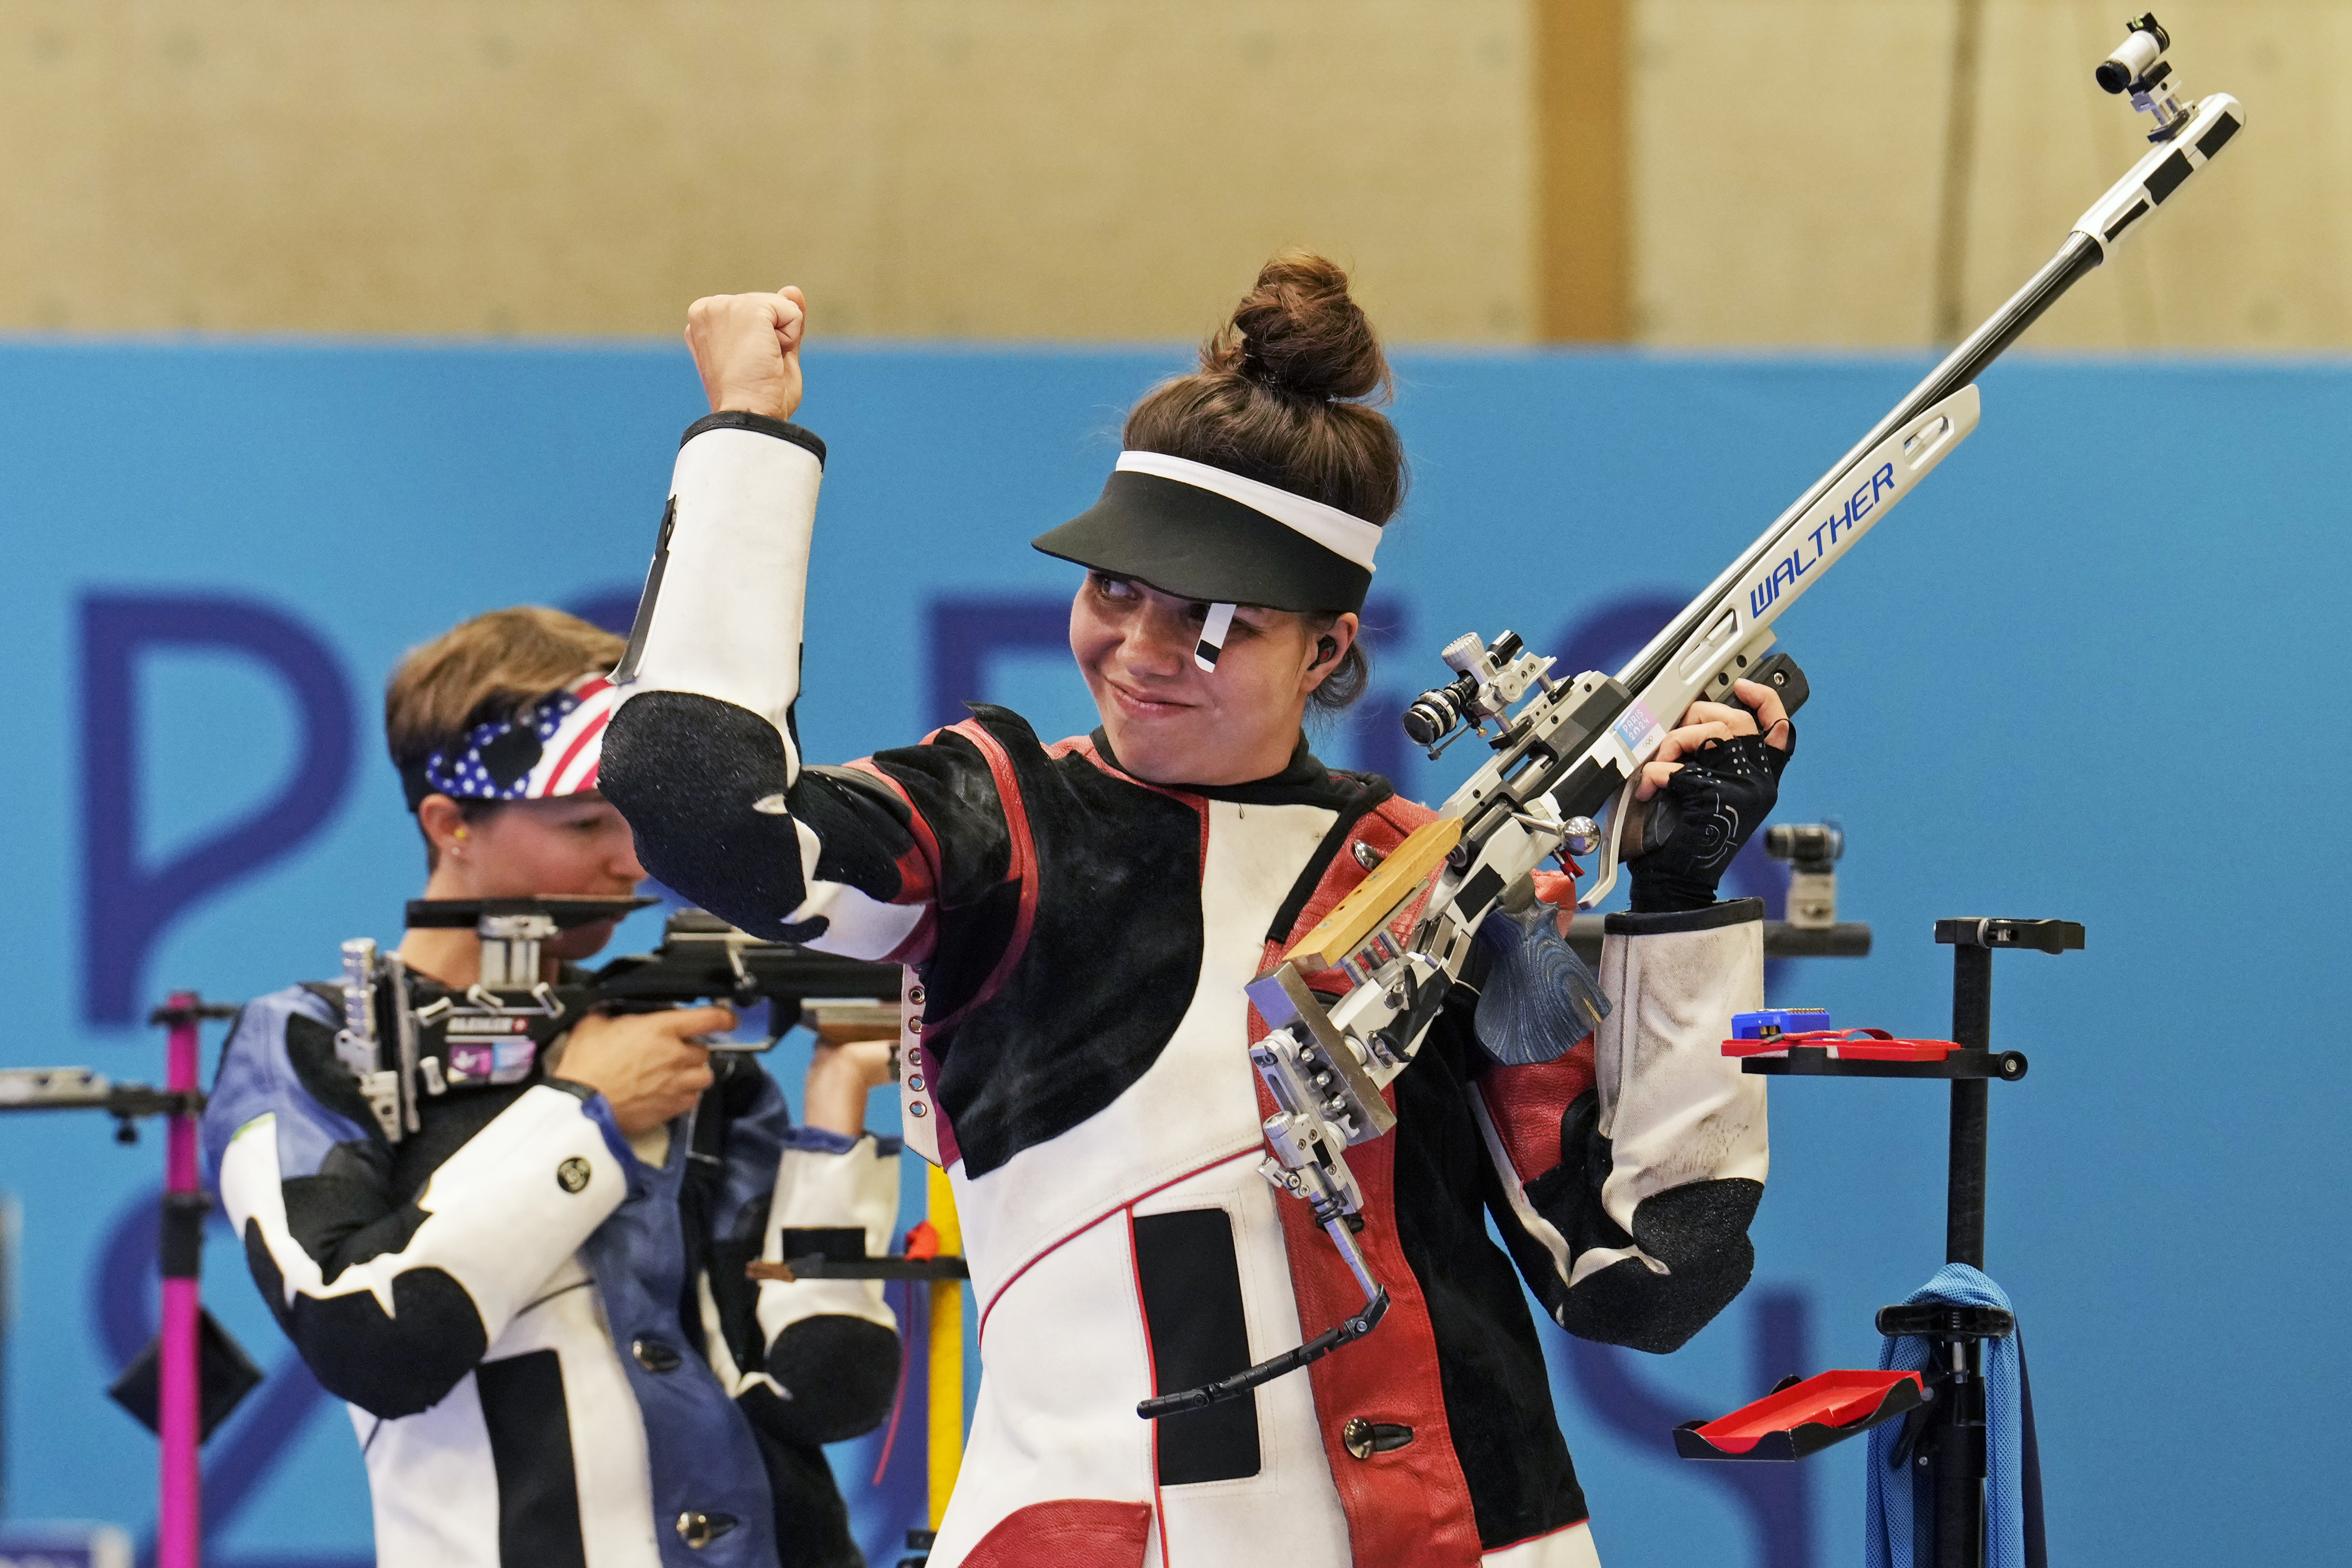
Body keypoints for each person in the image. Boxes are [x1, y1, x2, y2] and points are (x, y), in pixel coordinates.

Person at [600, 256, 1792, 1568]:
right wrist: (748, 438)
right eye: (1115, 590)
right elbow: (701, 807)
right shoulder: (998, 820)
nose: (1146, 651)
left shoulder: (1427, 876)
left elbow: (1647, 1279)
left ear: (1330, 649)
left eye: (1218, 622)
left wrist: (1683, 897)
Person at [203, 606, 904, 1568]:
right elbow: (370, 1340)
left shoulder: (674, 1034)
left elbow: (826, 1391)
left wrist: (837, 1112)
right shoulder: (312, 1042)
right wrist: (586, 1116)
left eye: (638, 822)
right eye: (584, 823)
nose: (630, 862)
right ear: (451, 824)